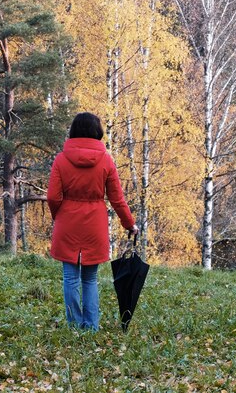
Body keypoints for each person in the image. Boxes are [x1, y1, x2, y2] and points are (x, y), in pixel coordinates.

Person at [47, 112, 138, 331]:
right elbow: (117, 198)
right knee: (90, 279)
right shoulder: (106, 160)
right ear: (97, 132)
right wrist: (129, 224)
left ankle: (73, 325)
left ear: (74, 131)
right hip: (94, 225)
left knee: (70, 278)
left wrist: (58, 215)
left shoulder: (61, 159)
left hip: (67, 223)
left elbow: (52, 196)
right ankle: (91, 326)